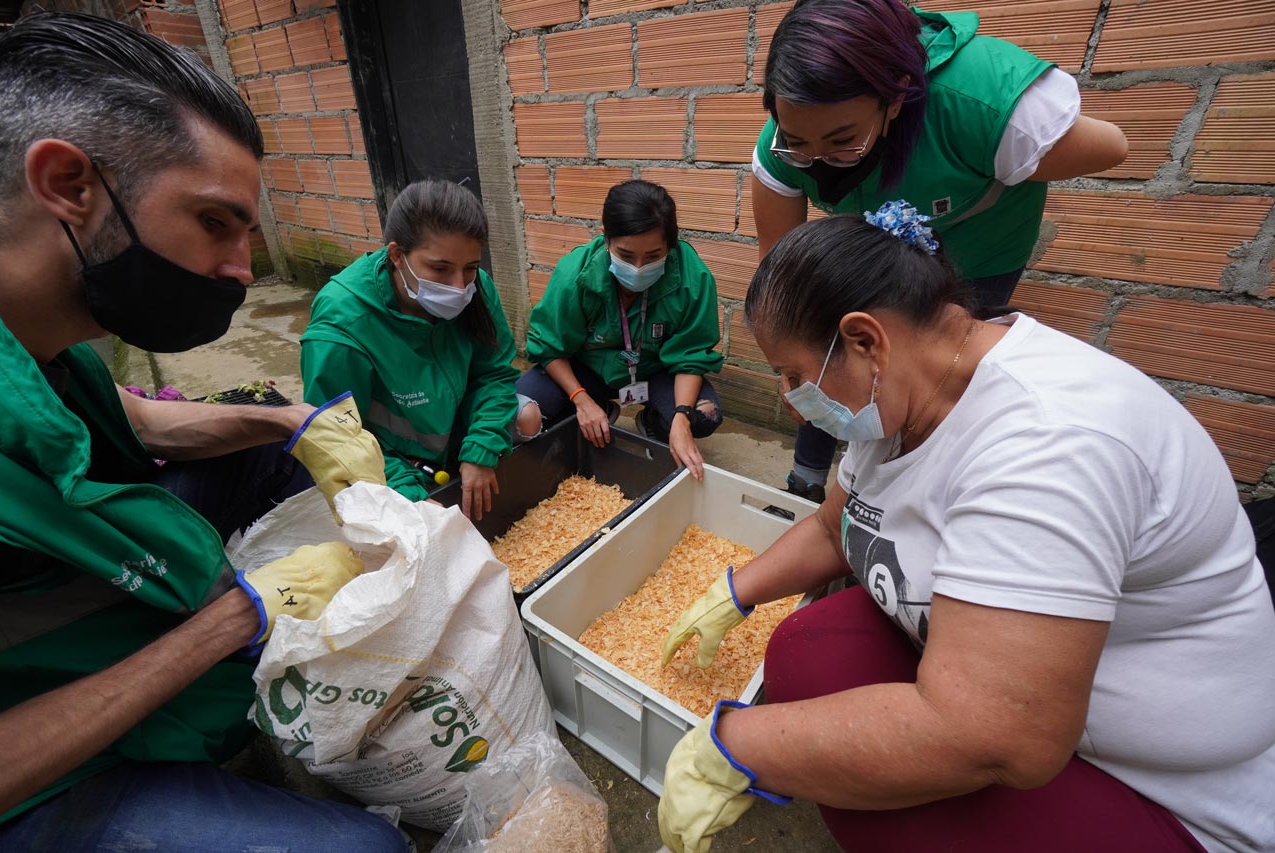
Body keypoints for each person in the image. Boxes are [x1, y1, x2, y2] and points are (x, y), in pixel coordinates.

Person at [656, 204, 1275, 853]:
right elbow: (835, 527)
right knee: (807, 651)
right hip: (1025, 711)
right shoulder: (899, 391)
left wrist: (732, 746)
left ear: (865, 340)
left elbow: (997, 737)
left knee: (878, 802)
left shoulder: (1048, 444)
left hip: (1159, 783)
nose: (789, 397)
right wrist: (734, 591)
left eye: (792, 374)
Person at [0, 13, 403, 851]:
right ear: (70, 184)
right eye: (215, 222)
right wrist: (238, 618)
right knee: (370, 848)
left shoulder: (40, 340)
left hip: (113, 588)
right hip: (36, 767)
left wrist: (289, 421)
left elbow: (133, 418)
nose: (242, 271)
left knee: (267, 453)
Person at [751, 0, 1129, 503]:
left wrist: (989, 156)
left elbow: (1113, 146)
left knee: (935, 376)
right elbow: (783, 285)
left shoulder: (983, 106)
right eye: (799, 142)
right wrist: (795, 373)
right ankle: (812, 481)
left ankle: (915, 494)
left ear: (894, 99)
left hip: (979, 261)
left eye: (842, 139)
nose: (818, 159)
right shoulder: (780, 146)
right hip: (867, 259)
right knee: (828, 360)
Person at [301, 179, 539, 521]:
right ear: (397, 256)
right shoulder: (344, 324)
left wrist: (482, 448)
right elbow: (335, 436)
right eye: (440, 269)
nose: (460, 287)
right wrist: (404, 490)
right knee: (422, 520)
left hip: (449, 423)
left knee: (528, 417)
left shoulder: (476, 290)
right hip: (389, 453)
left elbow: (494, 374)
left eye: (470, 268)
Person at [517, 180, 723, 480]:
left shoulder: (694, 276)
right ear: (606, 240)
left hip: (654, 373)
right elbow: (548, 347)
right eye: (625, 255)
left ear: (671, 247)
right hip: (587, 373)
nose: (638, 268)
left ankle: (656, 422)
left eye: (653, 256)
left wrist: (681, 417)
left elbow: (691, 355)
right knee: (522, 411)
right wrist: (581, 398)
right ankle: (595, 409)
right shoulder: (575, 273)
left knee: (704, 416)